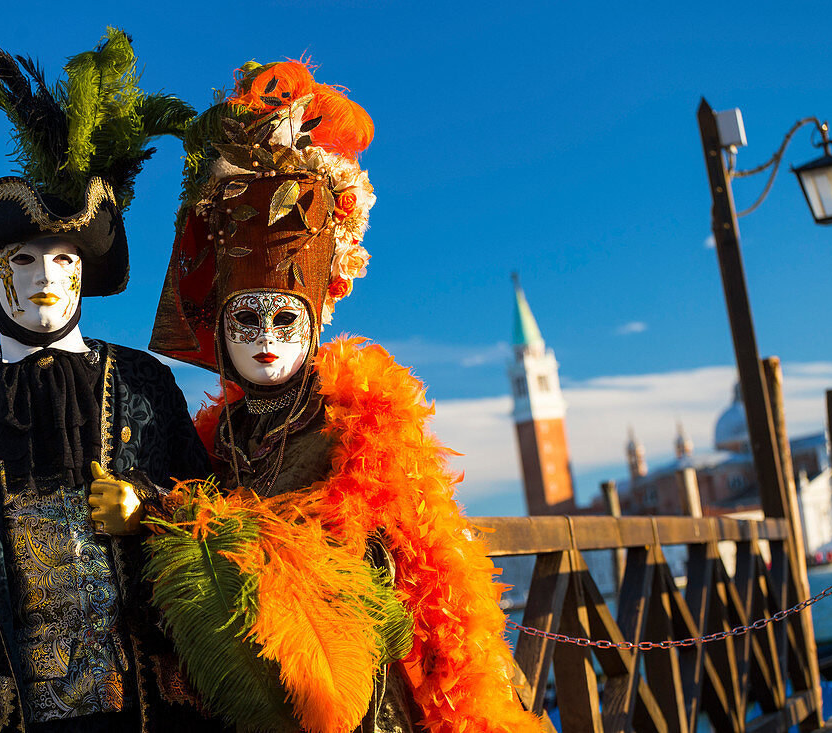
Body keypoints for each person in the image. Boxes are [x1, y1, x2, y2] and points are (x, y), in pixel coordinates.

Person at [148, 60, 545, 733]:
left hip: (361, 699)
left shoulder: (361, 423)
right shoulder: (211, 444)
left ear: (313, 319)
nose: (267, 340)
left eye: (284, 321)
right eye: (247, 320)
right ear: (219, 329)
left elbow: (413, 582)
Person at [0, 30, 230, 733]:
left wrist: (146, 506)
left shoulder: (146, 384)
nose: (46, 279)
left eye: (63, 258)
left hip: (150, 710)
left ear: (85, 269)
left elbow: (213, 509)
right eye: (24, 258)